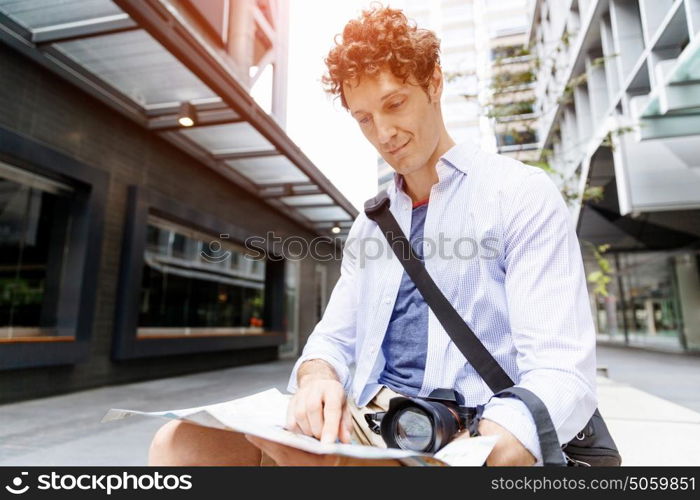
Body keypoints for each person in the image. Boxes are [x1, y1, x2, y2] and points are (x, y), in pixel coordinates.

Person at [147, 5, 597, 467]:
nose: (384, 133)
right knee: (179, 442)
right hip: (369, 427)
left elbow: (561, 371)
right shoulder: (371, 224)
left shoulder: (519, 194)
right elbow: (332, 341)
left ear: (434, 83)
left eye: (395, 103)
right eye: (364, 118)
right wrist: (317, 378)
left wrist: (501, 442)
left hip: (469, 438)